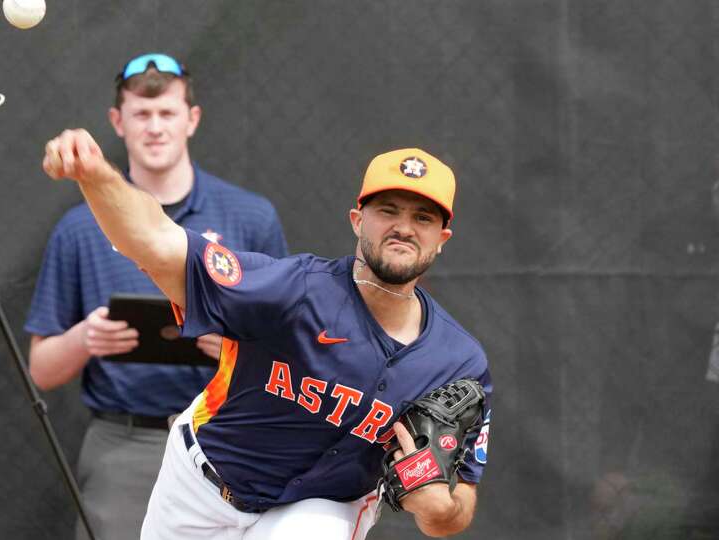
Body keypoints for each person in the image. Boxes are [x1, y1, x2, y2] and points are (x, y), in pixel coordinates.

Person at [40, 128, 493, 539]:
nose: (403, 228)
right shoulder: (291, 290)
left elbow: (462, 498)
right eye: (388, 210)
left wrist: (439, 510)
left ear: (442, 238)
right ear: (357, 220)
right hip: (199, 484)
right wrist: (97, 176)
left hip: (321, 510)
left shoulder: (457, 363)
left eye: (423, 218)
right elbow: (159, 244)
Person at [24, 53, 288, 539]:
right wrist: (87, 337)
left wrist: (236, 346)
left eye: (166, 113)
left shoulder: (250, 219)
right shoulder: (79, 229)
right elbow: (41, 370)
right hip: (124, 444)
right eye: (141, 115)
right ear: (117, 122)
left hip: (229, 438)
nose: (155, 127)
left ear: (192, 119)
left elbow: (292, 353)